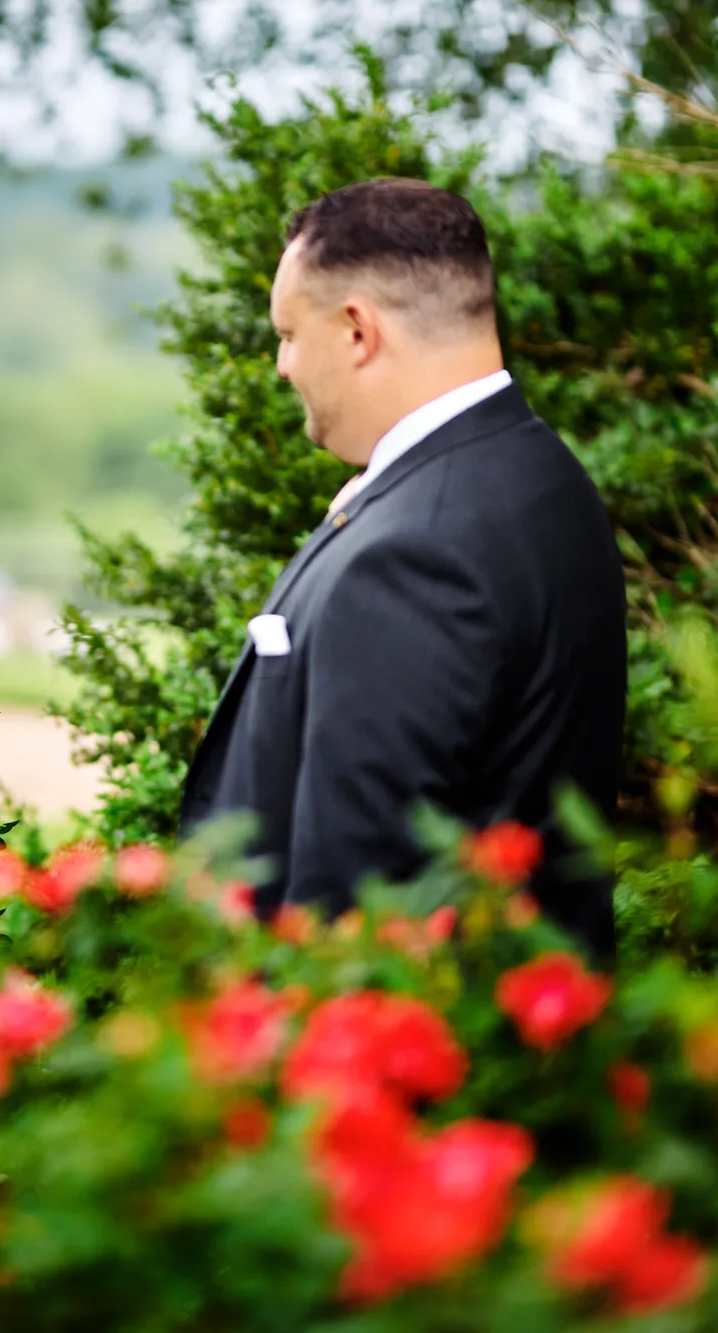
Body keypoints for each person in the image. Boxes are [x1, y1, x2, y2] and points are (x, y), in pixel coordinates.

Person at [179, 179, 626, 957]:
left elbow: (358, 893)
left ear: (357, 330)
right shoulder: (538, 476)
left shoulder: (413, 550)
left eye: (288, 333)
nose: (282, 365)